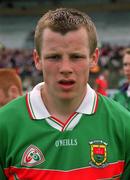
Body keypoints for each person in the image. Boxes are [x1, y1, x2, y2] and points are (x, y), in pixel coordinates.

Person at [0, 8, 130, 180]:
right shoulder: (5, 125)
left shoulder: (123, 125)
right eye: (54, 57)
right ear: (37, 59)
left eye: (76, 57)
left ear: (94, 58)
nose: (66, 68)